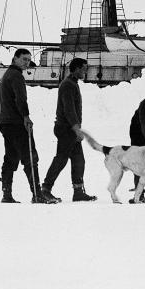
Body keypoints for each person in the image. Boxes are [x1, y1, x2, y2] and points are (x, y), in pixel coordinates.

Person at [0, 48, 57, 204]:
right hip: (17, 123)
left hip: (6, 123)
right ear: (15, 59)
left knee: (10, 158)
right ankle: (37, 194)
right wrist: (26, 117)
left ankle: (7, 194)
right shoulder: (16, 76)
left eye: (28, 59)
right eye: (24, 59)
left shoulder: (7, 75)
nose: (27, 62)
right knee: (30, 158)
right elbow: (20, 99)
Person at [40, 58, 97, 203]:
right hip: (66, 129)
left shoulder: (72, 84)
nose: (86, 71)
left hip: (70, 129)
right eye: (84, 68)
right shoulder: (67, 85)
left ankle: (78, 192)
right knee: (61, 159)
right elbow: (69, 109)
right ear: (76, 68)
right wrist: (77, 129)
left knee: (79, 160)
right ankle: (45, 190)